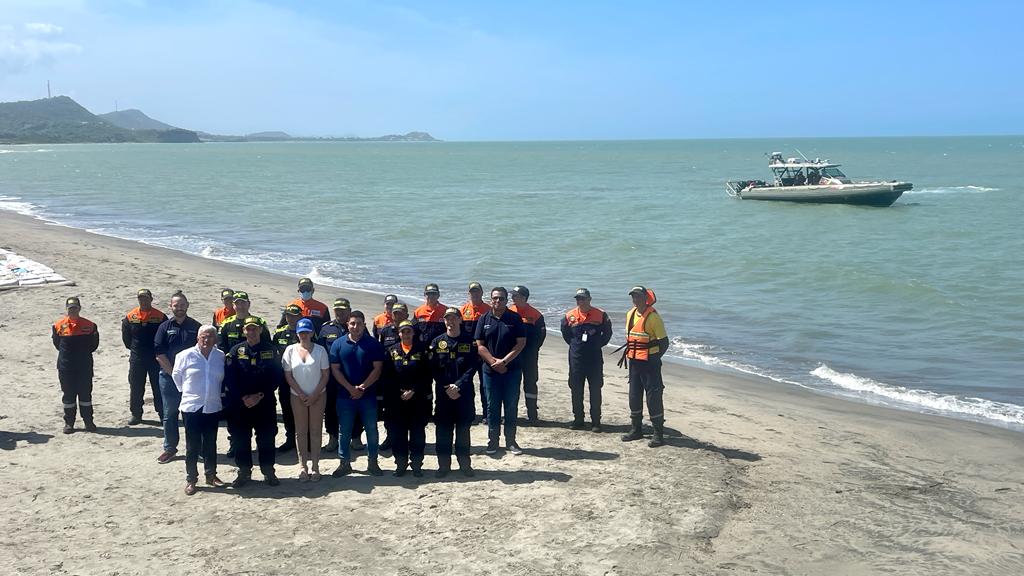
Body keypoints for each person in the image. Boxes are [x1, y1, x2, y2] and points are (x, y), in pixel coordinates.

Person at [224, 317, 281, 488]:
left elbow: (277, 376)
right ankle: (244, 472)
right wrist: (243, 397)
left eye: (254, 329)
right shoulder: (235, 351)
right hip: (240, 404)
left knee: (266, 438)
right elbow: (229, 378)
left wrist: (259, 395)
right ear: (243, 332)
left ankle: (268, 470)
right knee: (241, 439)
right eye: (248, 329)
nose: (251, 332)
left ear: (260, 330)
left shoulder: (271, 351)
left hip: (264, 402)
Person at [171, 325, 226, 496]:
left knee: (210, 443)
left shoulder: (220, 356)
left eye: (210, 336)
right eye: (203, 336)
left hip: (212, 406)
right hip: (191, 406)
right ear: (197, 337)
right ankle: (191, 479)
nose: (206, 339)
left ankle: (211, 475)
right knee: (192, 445)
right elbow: (176, 376)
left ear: (215, 339)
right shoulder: (185, 355)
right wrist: (189, 393)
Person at [329, 311, 385, 477]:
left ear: (364, 325)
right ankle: (344, 463)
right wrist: (350, 388)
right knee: (344, 430)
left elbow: (378, 369)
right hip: (345, 396)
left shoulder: (373, 344)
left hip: (367, 396)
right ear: (348, 324)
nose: (355, 326)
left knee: (371, 430)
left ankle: (373, 462)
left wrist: (362, 388)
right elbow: (335, 369)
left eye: (359, 323)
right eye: (352, 323)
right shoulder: (338, 344)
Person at [475, 287, 527, 455]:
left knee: (511, 406)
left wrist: (504, 361)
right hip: (490, 372)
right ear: (491, 300)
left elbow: (520, 343)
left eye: (501, 299)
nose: (498, 301)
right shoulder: (484, 319)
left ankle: (511, 441)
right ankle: (493, 441)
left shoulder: (515, 318)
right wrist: (493, 362)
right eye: (495, 298)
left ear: (507, 300)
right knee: (492, 407)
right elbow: (480, 345)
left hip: (511, 371)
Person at [153, 291, 202, 463]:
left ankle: (197, 447)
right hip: (168, 377)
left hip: (192, 379)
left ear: (187, 306)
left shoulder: (196, 326)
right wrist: (174, 373)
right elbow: (159, 353)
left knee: (193, 413)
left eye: (182, 305)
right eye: (176, 305)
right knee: (170, 413)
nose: (179, 308)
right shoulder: (164, 327)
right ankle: (170, 448)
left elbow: (203, 350)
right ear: (171, 306)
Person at [430, 307, 478, 477]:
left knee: (463, 430)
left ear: (459, 320)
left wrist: (458, 385)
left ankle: (465, 465)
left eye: (453, 318)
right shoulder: (437, 342)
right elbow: (434, 368)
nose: (449, 322)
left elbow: (472, 367)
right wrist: (447, 387)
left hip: (463, 393)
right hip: (444, 395)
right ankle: (443, 466)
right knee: (443, 430)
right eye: (446, 319)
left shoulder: (470, 341)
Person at [620, 286, 670, 447]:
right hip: (634, 362)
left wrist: (654, 358)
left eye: (639, 296)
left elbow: (664, 343)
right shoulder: (630, 314)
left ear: (646, 298)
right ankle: (636, 429)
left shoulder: (654, 318)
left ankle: (658, 434)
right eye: (633, 296)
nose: (635, 299)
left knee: (653, 397)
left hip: (650, 363)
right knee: (634, 396)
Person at [383, 320, 433, 477]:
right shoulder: (391, 351)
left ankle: (417, 464)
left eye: (409, 331)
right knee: (399, 434)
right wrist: (399, 392)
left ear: (413, 333)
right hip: (397, 401)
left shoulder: (423, 350)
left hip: (418, 399)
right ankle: (401, 464)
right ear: (399, 334)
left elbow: (427, 375)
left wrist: (413, 390)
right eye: (403, 331)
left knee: (418, 433)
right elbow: (387, 376)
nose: (406, 334)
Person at [282, 318, 330, 482]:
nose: (304, 335)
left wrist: (315, 394)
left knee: (316, 430)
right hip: (297, 395)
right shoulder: (290, 350)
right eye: (301, 332)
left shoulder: (320, 350)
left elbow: (325, 375)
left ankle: (315, 466)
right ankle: (302, 466)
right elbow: (288, 375)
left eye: (306, 332)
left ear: (311, 333)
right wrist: (301, 394)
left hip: (318, 394)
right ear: (297, 333)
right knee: (301, 432)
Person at [560, 288, 612, 431]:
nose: (580, 301)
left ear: (589, 299)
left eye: (583, 298)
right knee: (576, 389)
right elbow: (565, 334)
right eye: (578, 299)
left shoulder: (600, 315)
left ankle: (596, 421)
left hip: (594, 358)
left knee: (595, 389)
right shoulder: (569, 316)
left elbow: (607, 334)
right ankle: (578, 420)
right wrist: (575, 345)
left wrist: (597, 345)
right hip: (576, 359)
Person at [51, 296, 100, 434]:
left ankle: (88, 422)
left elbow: (93, 345)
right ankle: (69, 423)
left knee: (86, 395)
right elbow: (57, 344)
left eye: (75, 308)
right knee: (68, 396)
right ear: (67, 309)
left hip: (84, 366)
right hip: (66, 367)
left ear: (80, 308)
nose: (73, 310)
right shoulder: (58, 326)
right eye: (70, 308)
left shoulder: (90, 325)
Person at [121, 288, 166, 425]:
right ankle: (136, 414)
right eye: (141, 298)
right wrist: (135, 350)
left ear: (151, 299)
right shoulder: (130, 317)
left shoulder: (160, 316)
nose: (144, 301)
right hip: (137, 357)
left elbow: (164, 336)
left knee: (158, 386)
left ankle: (162, 413)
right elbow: (126, 339)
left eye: (146, 298)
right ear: (138, 300)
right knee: (136, 386)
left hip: (155, 357)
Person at [317, 297, 351, 453]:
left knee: (353, 406)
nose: (340, 313)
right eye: (337, 310)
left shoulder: (355, 326)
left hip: (352, 375)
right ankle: (333, 437)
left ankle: (356, 437)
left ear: (349, 310)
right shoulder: (326, 328)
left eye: (343, 310)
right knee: (330, 408)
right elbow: (320, 352)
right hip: (331, 377)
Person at [509, 285, 546, 423]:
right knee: (512, 384)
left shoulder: (535, 314)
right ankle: (512, 414)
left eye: (515, 296)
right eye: (512, 295)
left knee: (530, 383)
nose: (512, 298)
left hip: (529, 356)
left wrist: (532, 349)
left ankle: (532, 414)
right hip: (513, 356)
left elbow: (541, 336)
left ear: (524, 298)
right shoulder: (508, 312)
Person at [272, 303, 302, 452]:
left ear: (300, 317)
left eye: (294, 316)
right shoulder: (279, 333)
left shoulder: (306, 332)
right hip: (285, 379)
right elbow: (274, 356)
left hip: (303, 378)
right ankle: (290, 438)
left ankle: (304, 439)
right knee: (287, 409)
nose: (291, 319)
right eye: (288, 316)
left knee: (303, 409)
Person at [460, 281, 490, 423]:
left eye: (477, 291)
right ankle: (469, 413)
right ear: (469, 293)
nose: (475, 294)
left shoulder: (488, 310)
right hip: (468, 354)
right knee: (466, 384)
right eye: (472, 291)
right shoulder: (463, 310)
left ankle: (486, 414)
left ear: (482, 293)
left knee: (485, 385)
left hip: (484, 353)